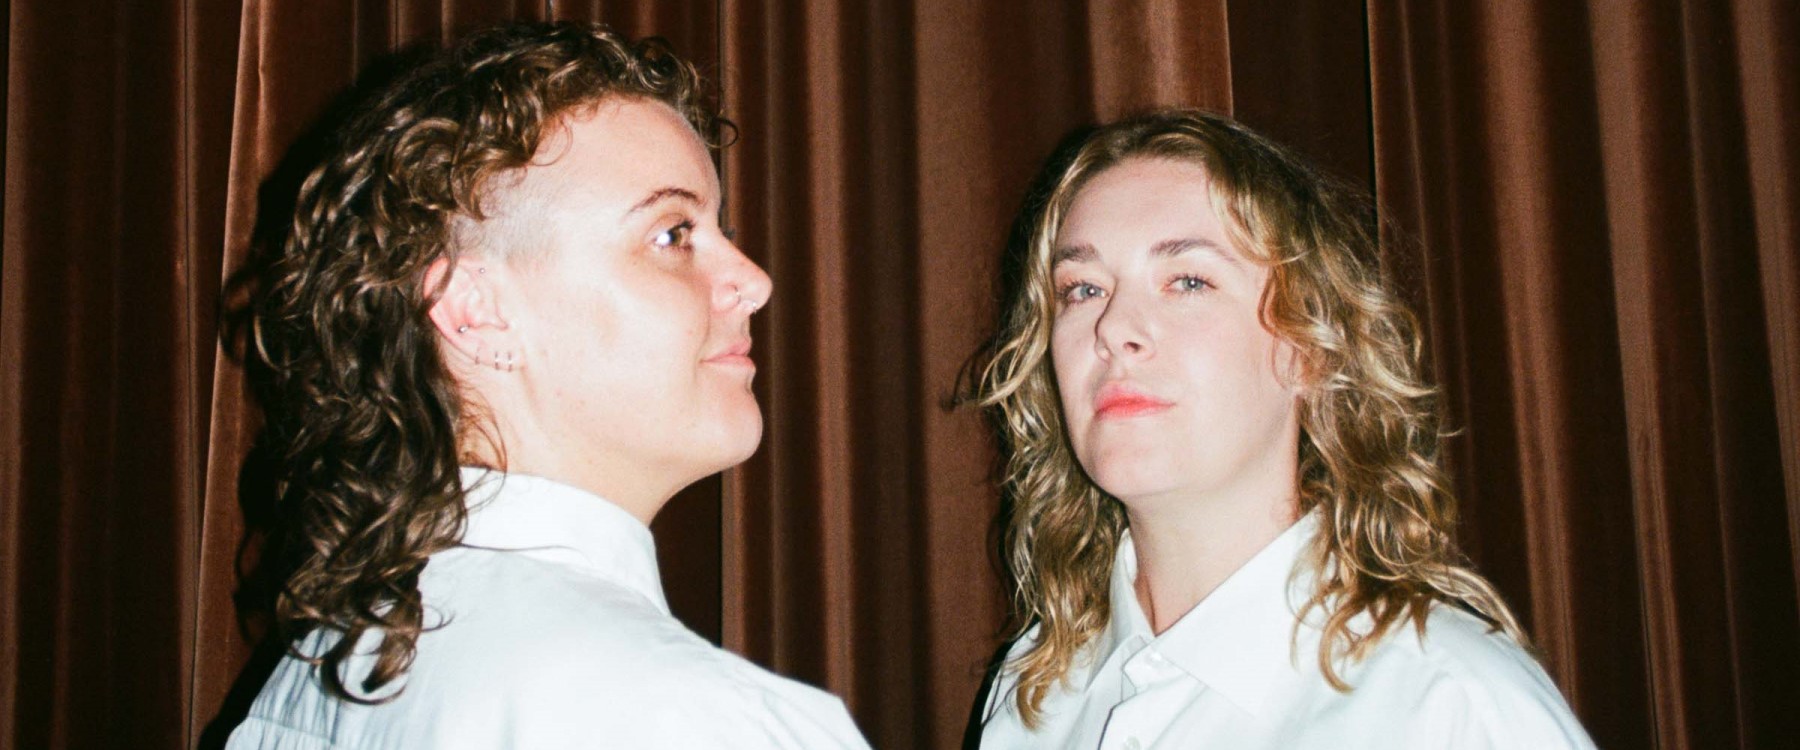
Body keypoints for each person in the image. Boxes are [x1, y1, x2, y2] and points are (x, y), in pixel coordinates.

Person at [226, 22, 868, 749]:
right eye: (672, 234)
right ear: (478, 311)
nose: (754, 281)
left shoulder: (322, 674)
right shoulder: (693, 718)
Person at [971, 110, 1594, 748]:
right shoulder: (1033, 695)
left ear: (1310, 346)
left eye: (1187, 281)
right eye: (1082, 289)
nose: (1113, 329)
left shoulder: (1448, 706)